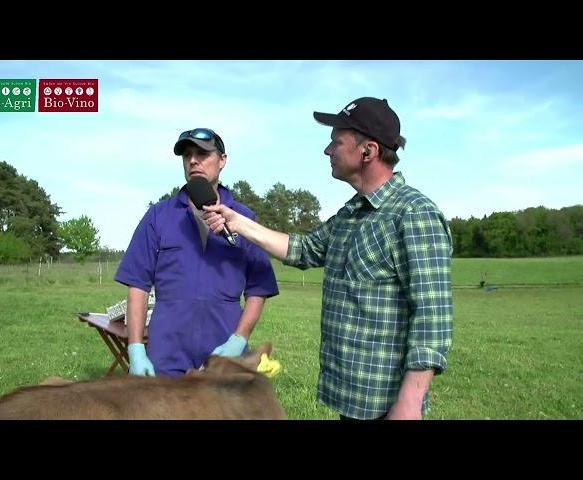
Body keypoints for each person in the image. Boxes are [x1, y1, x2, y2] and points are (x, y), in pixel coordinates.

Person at [204, 98, 454, 420]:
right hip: (352, 400)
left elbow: (433, 318)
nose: (328, 150)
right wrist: (237, 222)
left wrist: (409, 402)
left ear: (369, 151)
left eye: (336, 141)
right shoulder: (351, 213)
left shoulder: (415, 214)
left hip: (388, 405)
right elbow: (304, 249)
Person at [115, 127, 279, 378]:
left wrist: (239, 339)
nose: (193, 160)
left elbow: (259, 288)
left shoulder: (244, 219)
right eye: (187, 155)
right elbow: (138, 284)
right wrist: (136, 348)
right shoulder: (159, 216)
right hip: (167, 354)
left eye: (203, 154)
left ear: (222, 161)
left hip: (224, 354)